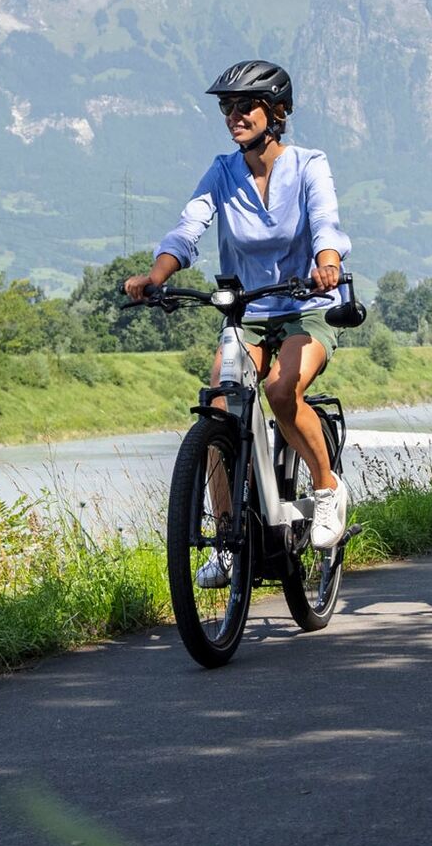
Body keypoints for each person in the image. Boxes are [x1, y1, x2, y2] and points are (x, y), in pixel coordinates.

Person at [124, 59, 352, 573]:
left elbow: (325, 223)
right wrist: (156, 276)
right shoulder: (223, 171)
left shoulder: (309, 165)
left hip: (306, 307)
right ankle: (228, 540)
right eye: (227, 107)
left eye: (245, 105)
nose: (234, 116)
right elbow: (189, 227)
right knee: (219, 407)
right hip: (247, 313)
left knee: (280, 390)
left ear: (276, 112)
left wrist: (327, 264)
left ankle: (327, 488)